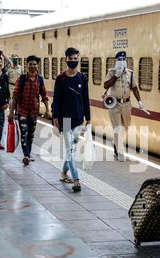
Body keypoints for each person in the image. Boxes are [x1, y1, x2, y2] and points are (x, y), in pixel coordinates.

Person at [52, 47, 91, 192]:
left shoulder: (82, 78)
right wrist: (55, 117)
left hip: (78, 119)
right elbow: (56, 100)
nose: (73, 61)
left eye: (76, 59)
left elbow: (85, 99)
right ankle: (76, 180)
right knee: (70, 150)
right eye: (71, 59)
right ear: (66, 59)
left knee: (72, 149)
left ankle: (63, 172)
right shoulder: (61, 79)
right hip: (66, 119)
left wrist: (89, 118)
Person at [104, 51, 147, 161]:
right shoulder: (111, 72)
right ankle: (120, 153)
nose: (122, 62)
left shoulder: (130, 73)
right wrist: (116, 75)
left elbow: (135, 88)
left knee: (125, 127)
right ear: (116, 61)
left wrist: (140, 102)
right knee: (118, 128)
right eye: (120, 60)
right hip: (115, 103)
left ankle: (116, 143)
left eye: (124, 60)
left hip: (127, 104)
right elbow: (105, 85)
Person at [9, 55, 49, 165]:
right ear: (27, 66)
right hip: (22, 111)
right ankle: (26, 155)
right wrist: (12, 111)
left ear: (37, 66)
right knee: (24, 133)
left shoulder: (40, 79)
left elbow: (44, 95)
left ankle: (28, 153)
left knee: (31, 135)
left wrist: (47, 110)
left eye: (34, 64)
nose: (32, 66)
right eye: (30, 64)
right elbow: (15, 95)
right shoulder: (21, 79)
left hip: (34, 112)